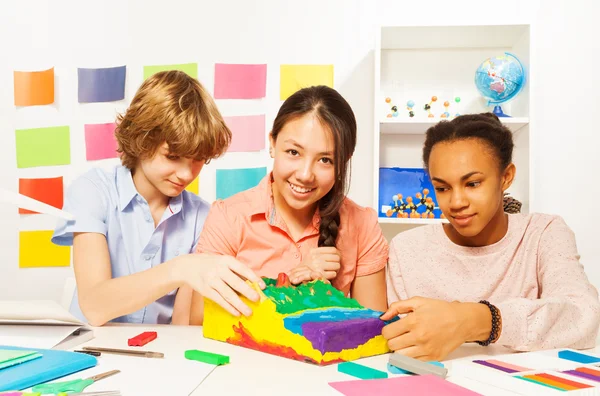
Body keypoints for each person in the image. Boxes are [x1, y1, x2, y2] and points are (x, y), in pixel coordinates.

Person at [381, 113, 600, 361]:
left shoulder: (542, 233)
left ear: (506, 177)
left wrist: (474, 320)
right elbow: (402, 342)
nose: (456, 202)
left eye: (473, 184)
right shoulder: (407, 249)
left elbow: (584, 317)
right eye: (442, 188)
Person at [52, 70, 264, 326]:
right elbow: (95, 306)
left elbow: (181, 327)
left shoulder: (202, 216)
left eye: (197, 160)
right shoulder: (93, 191)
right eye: (172, 157)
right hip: (89, 351)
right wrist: (181, 269)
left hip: (158, 353)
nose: (186, 174)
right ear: (142, 139)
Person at [188, 85, 389, 325]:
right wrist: (292, 290)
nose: (305, 174)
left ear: (343, 161)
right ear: (272, 143)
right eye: (294, 152)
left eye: (325, 160)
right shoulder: (228, 217)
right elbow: (201, 320)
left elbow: (373, 328)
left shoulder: (362, 224)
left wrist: (323, 295)